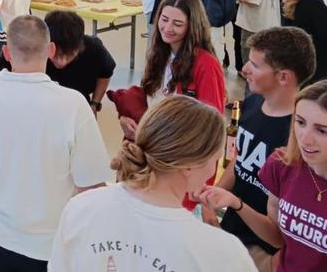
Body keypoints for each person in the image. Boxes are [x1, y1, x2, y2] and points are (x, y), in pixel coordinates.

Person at [0, 15, 110, 271]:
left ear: (6, 51)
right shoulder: (72, 105)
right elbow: (90, 187)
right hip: (51, 246)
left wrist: (0, 187)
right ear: (50, 50)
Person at [52, 96, 257, 272]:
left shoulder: (80, 208)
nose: (214, 170)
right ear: (189, 166)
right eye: (215, 159)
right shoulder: (223, 254)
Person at [198, 78, 327, 272]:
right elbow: (276, 237)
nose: (305, 138)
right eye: (300, 122)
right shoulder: (281, 164)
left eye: (322, 131)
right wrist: (236, 203)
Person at [207, 27, 316, 272]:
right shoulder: (253, 103)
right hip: (232, 230)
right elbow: (240, 161)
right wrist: (211, 199)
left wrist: (280, 253)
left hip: (265, 248)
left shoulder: (300, 133)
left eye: (255, 65)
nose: (245, 68)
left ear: (284, 77)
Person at [123, 0, 225, 139]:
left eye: (177, 24)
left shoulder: (206, 64)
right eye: (164, 19)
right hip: (155, 141)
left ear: (192, 27)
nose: (167, 28)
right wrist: (126, 119)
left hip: (182, 149)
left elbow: (212, 124)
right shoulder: (159, 53)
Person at [0, 11, 115, 113]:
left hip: (77, 108)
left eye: (69, 55)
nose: (61, 62)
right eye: (56, 55)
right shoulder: (32, 47)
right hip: (36, 110)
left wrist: (95, 103)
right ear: (47, 45)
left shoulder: (94, 49)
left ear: (80, 46)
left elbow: (106, 72)